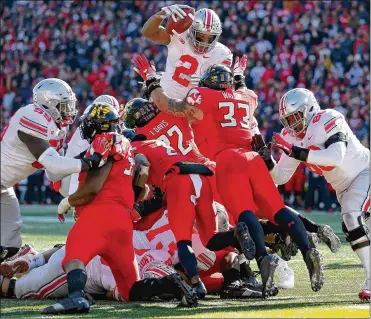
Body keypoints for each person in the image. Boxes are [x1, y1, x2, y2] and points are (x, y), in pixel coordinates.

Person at [133, 54, 324, 298]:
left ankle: (256, 263)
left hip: (217, 165)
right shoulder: (245, 97)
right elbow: (243, 92)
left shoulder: (155, 128)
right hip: (245, 159)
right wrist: (239, 77)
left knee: (234, 220)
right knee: (275, 208)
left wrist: (150, 79)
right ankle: (306, 246)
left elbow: (164, 103)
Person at [42, 104, 197, 315]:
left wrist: (68, 201)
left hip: (99, 215)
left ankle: (76, 297)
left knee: (73, 256)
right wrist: (130, 199)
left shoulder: (104, 140)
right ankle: (169, 283)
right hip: (123, 222)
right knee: (129, 290)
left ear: (95, 125)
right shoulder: (129, 147)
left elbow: (93, 188)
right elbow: (143, 172)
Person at [253, 88, 370, 301]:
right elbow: (280, 177)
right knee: (353, 226)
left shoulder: (328, 118)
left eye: (295, 118)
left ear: (309, 109)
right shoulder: (291, 135)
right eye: (286, 120)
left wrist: (296, 151)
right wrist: (267, 160)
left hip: (364, 172)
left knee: (352, 216)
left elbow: (335, 157)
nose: (290, 126)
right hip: (342, 187)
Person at [0, 78, 109, 262]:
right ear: (49, 104)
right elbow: (53, 163)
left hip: (4, 186)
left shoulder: (57, 127)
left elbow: (54, 174)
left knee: (10, 244)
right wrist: (89, 162)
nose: (69, 110)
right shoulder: (31, 115)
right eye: (64, 105)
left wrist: (84, 153)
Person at [141, 4, 233, 100]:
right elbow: (147, 32)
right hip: (165, 100)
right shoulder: (179, 35)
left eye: (210, 38)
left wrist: (205, 82)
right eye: (200, 37)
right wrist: (163, 13)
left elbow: (224, 89)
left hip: (194, 108)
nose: (204, 43)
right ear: (191, 30)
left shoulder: (221, 53)